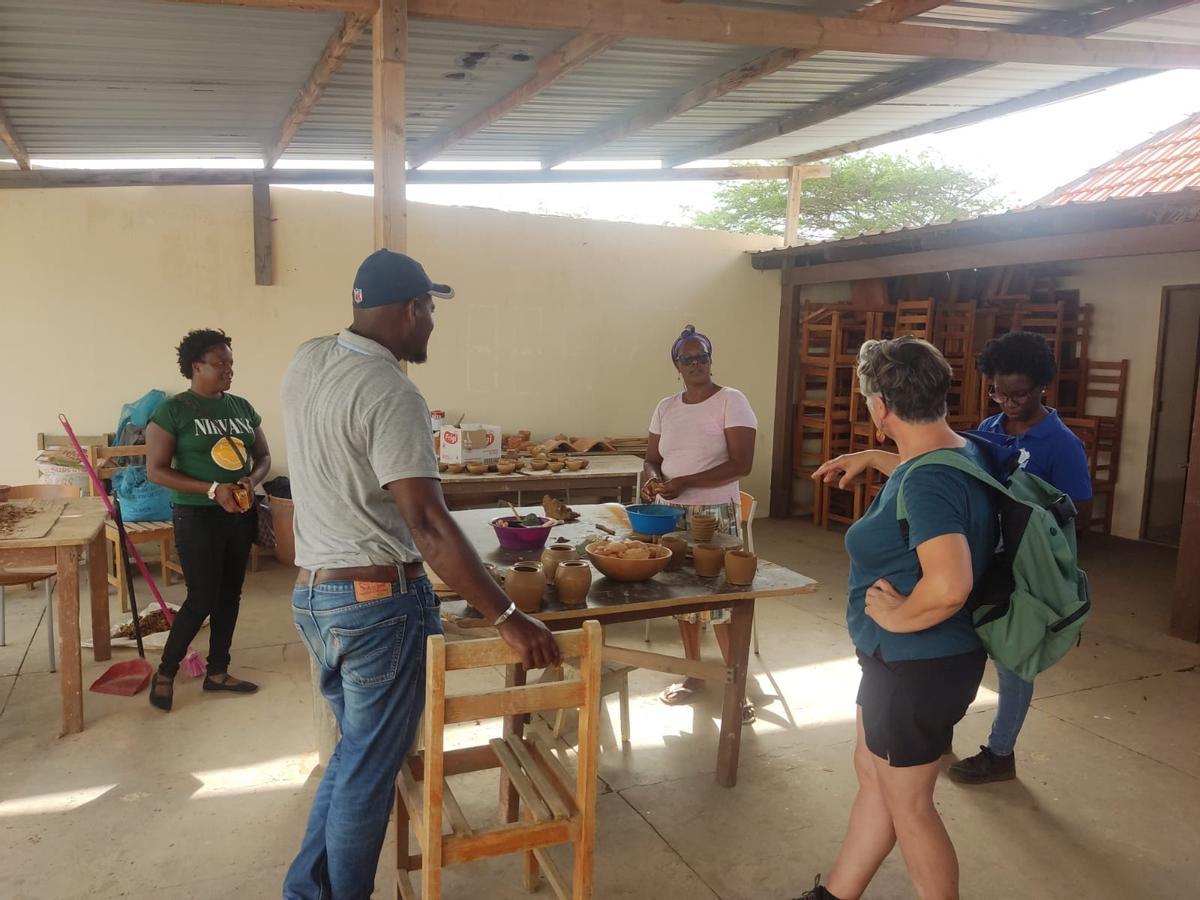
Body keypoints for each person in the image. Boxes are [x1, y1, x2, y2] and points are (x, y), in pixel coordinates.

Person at [281, 249, 560, 900]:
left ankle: (308, 893)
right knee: (368, 772)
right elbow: (430, 527)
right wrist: (509, 617)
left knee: (355, 758)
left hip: (316, 596)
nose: (433, 322)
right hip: (376, 603)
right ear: (410, 309)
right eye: (430, 309)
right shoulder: (391, 391)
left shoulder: (306, 359)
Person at [800, 337, 997, 900]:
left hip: (916, 667)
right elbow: (931, 471)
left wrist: (898, 617)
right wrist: (878, 458)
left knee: (911, 806)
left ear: (880, 407)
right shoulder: (961, 451)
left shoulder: (927, 480)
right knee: (875, 778)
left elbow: (950, 583)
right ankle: (836, 895)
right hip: (905, 666)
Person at [946, 331, 1092, 784]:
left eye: (1019, 393)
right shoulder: (990, 430)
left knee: (1014, 659)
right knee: (962, 646)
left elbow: (1073, 513)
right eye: (998, 392)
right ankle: (939, 726)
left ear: (1043, 386)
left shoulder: (1061, 444)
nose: (1007, 402)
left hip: (1026, 568)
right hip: (984, 556)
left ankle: (1000, 752)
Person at [145, 329, 272, 712]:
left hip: (239, 513)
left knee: (230, 595)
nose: (228, 370)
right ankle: (166, 672)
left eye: (231, 363)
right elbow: (156, 470)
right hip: (197, 514)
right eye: (220, 364)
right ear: (196, 366)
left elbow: (263, 455)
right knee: (201, 597)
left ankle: (218, 672)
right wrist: (212, 488)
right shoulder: (173, 411)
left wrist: (252, 478)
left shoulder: (241, 407)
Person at [642, 325, 758, 722]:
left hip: (714, 514)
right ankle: (695, 675)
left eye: (702, 356)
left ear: (711, 359)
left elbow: (741, 464)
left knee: (723, 601)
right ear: (676, 365)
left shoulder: (731, 401)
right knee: (683, 601)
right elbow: (652, 457)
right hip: (672, 515)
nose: (696, 364)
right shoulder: (666, 406)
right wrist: (652, 480)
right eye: (687, 358)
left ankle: (736, 687)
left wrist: (686, 482)